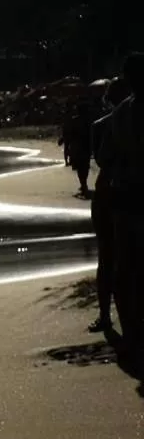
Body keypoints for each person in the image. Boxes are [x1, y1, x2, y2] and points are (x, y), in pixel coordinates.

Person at [101, 52, 144, 362]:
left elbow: (105, 158)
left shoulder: (119, 115)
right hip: (132, 195)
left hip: (127, 195)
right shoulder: (121, 115)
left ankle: (131, 332)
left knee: (125, 267)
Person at [88, 79, 130, 332]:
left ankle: (105, 315)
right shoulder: (106, 125)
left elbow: (102, 160)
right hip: (123, 192)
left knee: (107, 257)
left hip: (108, 192)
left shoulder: (100, 126)